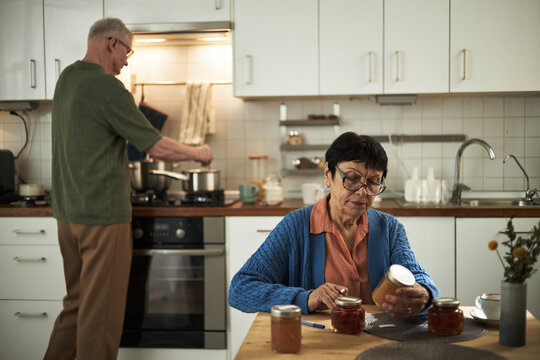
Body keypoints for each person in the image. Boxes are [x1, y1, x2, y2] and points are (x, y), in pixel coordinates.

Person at [44, 18, 213, 360]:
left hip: (67, 217)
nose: (126, 61)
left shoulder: (67, 78)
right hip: (102, 218)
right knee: (101, 314)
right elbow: (156, 148)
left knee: (76, 304)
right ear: (112, 43)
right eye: (127, 52)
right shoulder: (108, 88)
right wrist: (199, 153)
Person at [228, 132, 439, 318]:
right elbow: (241, 288)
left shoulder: (389, 228)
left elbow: (417, 276)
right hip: (315, 341)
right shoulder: (296, 226)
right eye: (351, 178)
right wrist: (306, 298)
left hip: (377, 339)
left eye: (373, 182)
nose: (362, 191)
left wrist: (425, 294)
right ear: (328, 175)